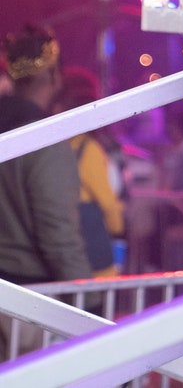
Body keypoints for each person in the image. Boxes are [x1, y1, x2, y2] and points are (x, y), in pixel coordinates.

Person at [0, 26, 92, 360]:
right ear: (54, 74)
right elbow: (58, 236)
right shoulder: (45, 140)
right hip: (27, 298)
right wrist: (89, 300)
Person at [58, 66, 126, 277]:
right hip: (92, 242)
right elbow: (106, 201)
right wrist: (118, 227)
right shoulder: (88, 148)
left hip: (64, 240)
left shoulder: (57, 144)